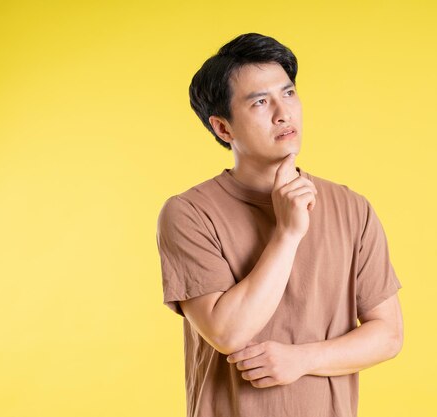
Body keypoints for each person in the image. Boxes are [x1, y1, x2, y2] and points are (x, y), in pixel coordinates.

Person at [156, 32, 404, 417]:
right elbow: (226, 332)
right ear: (223, 128)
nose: (283, 112)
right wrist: (288, 234)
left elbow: (388, 335)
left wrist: (302, 359)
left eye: (288, 93)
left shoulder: (352, 207)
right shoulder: (189, 213)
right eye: (260, 102)